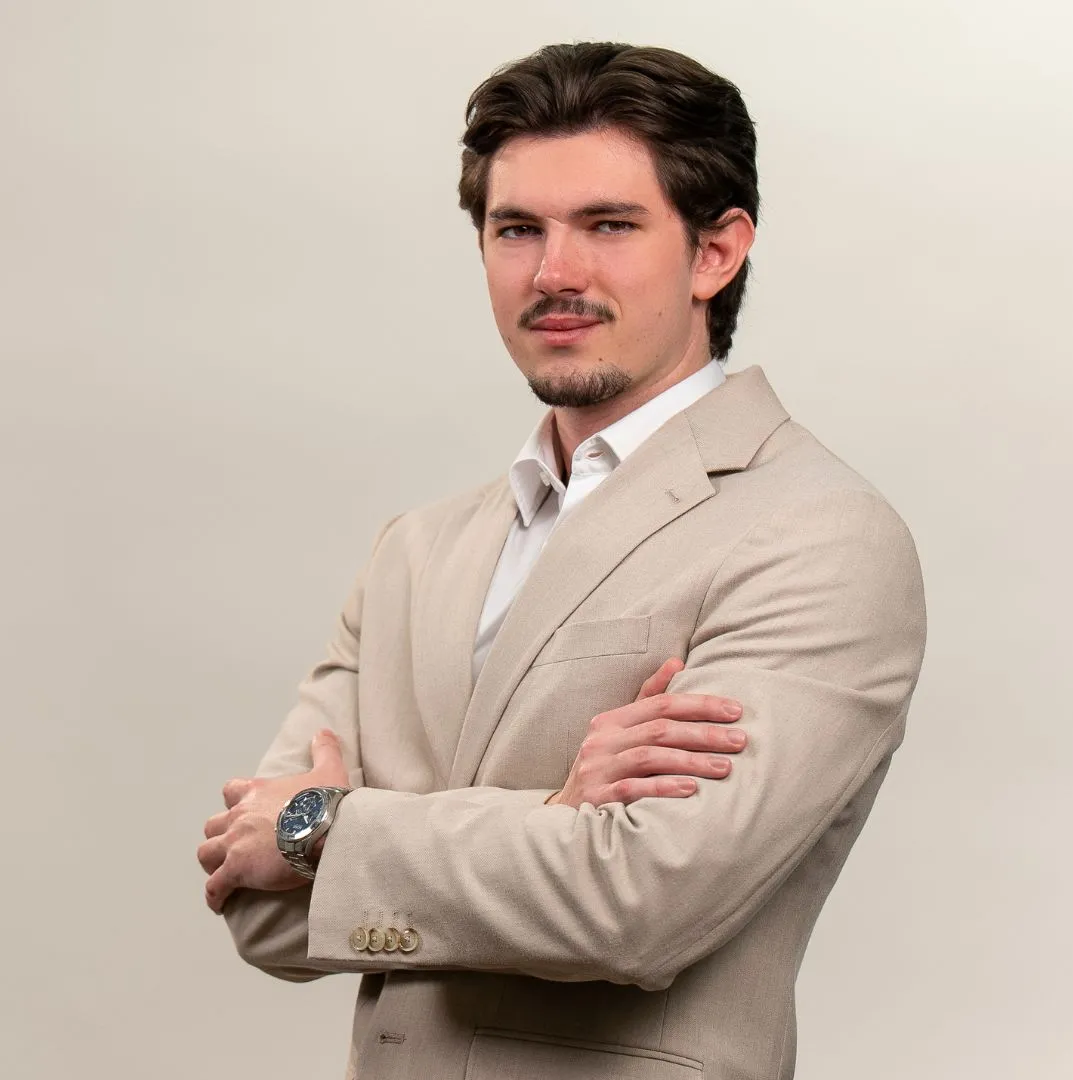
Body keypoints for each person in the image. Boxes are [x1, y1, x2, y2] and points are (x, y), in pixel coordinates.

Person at [198, 42, 926, 1080]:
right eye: (516, 230)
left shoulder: (818, 534)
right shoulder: (418, 550)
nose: (554, 273)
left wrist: (322, 829)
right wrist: (552, 816)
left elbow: (634, 905)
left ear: (716, 252)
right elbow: (255, 903)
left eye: (610, 225)